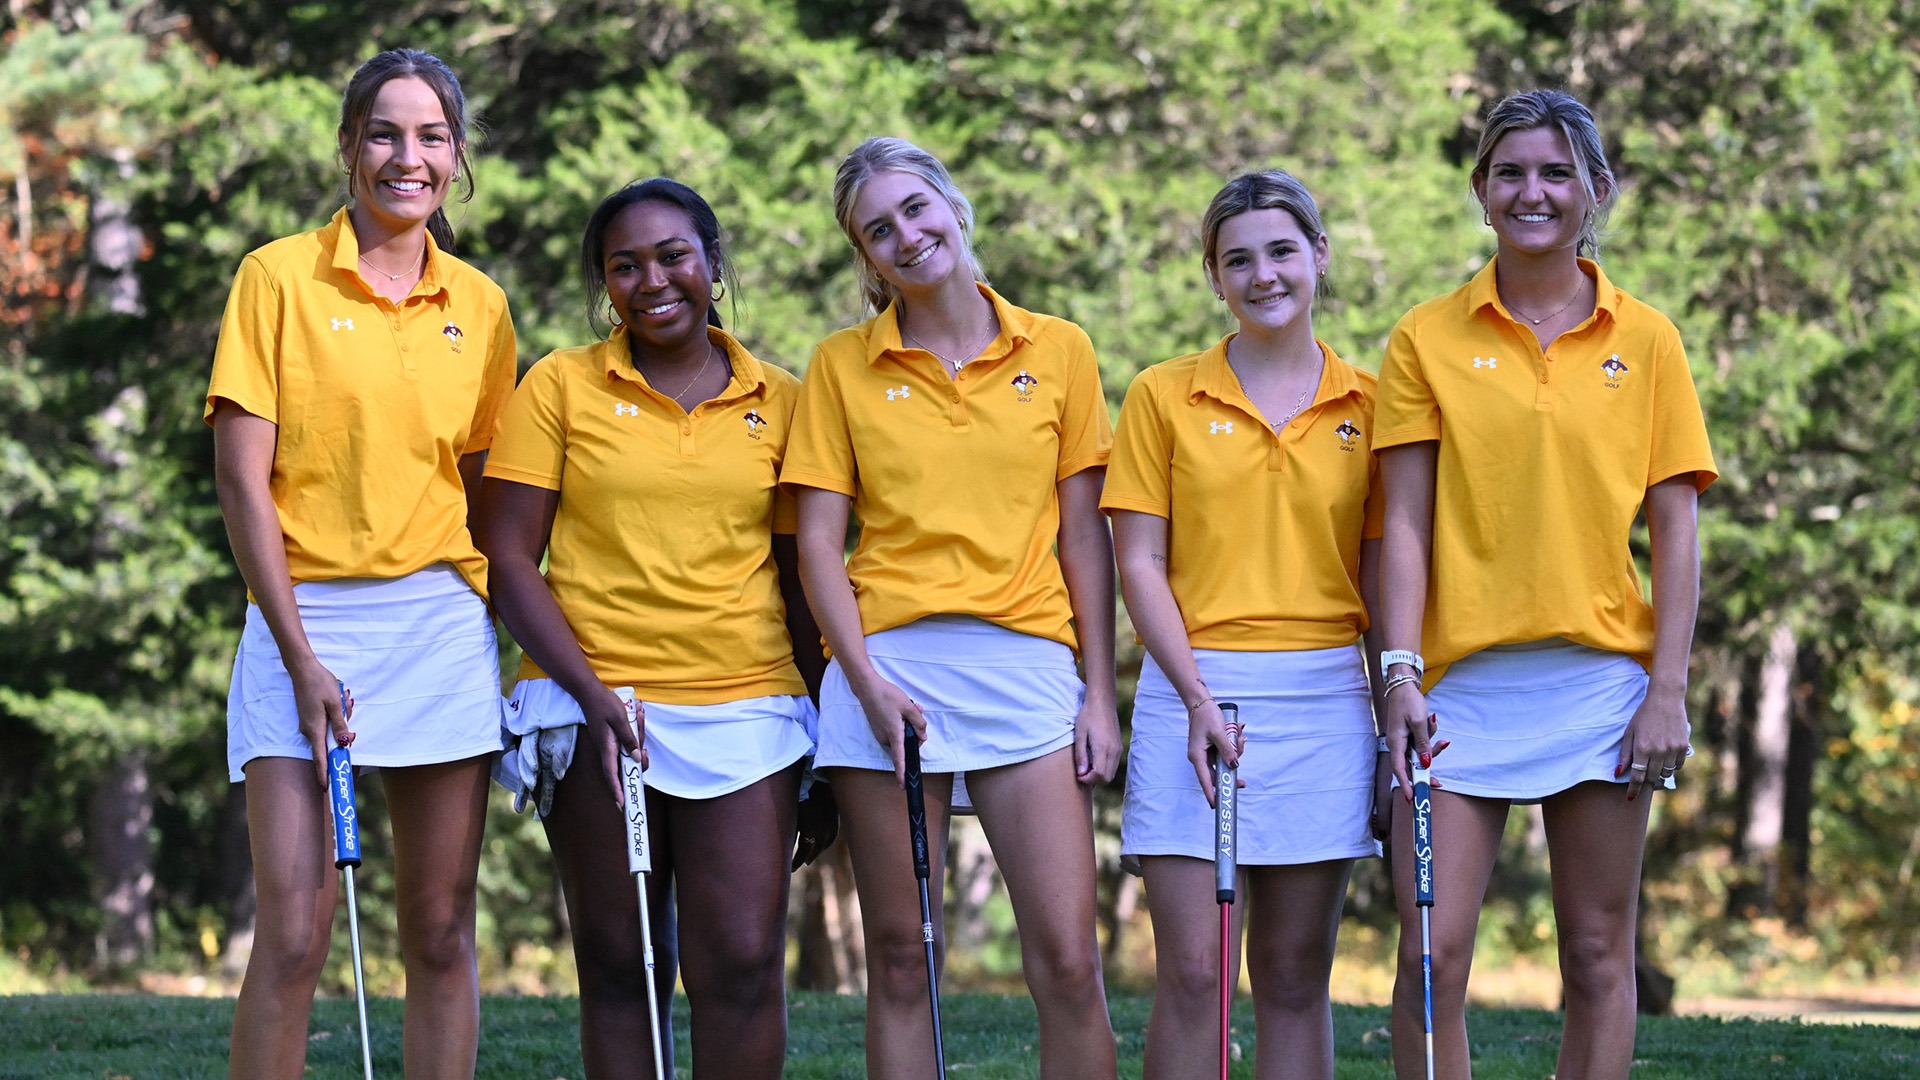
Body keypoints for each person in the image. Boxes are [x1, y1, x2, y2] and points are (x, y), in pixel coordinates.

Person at [1374, 89, 1716, 1080]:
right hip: (1456, 693)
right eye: (1512, 172)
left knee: (1600, 957)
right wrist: (1398, 674)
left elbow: (1676, 531)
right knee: (1429, 959)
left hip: (1601, 688)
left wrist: (1667, 691)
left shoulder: (1647, 339)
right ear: (1481, 189)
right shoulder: (1424, 337)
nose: (1534, 192)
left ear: (1596, 189)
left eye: (1557, 172)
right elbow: (1401, 526)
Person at [783, 136, 1121, 1079]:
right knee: (901, 961)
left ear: (952, 205)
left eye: (915, 209)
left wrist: (1099, 694)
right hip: (885, 671)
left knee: (1068, 962)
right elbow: (818, 546)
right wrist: (863, 682)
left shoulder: (1060, 349)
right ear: (865, 256)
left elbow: (1084, 536)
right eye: (878, 230)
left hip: (1026, 665)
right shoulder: (841, 365)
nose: (907, 236)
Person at [208, 48, 515, 1080]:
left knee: (438, 928)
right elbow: (242, 482)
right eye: (384, 133)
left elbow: (484, 488)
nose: (406, 157)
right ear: (348, 147)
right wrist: (299, 655)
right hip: (300, 620)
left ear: (456, 157)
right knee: (295, 935)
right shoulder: (276, 277)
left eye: (430, 136)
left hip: (436, 625)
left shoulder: (482, 303)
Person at [475, 177, 826, 1080]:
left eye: (673, 256)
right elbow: (508, 559)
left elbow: (802, 579)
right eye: (624, 266)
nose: (652, 281)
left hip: (748, 704)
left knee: (741, 962)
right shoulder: (560, 385)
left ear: (712, 262)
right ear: (605, 285)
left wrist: (830, 737)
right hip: (594, 704)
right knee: (622, 963)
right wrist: (592, 696)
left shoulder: (786, 400)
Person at [1104, 170, 1385, 1080]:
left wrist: (1392, 714)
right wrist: (1194, 697)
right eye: (1238, 260)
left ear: (1320, 255)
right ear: (1215, 277)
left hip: (1326, 698)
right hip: (1192, 692)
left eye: (1281, 251)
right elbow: (1139, 562)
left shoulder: (1373, 404)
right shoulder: (1162, 395)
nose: (1263, 275)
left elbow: (1385, 575)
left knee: (1295, 977)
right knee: (1195, 976)